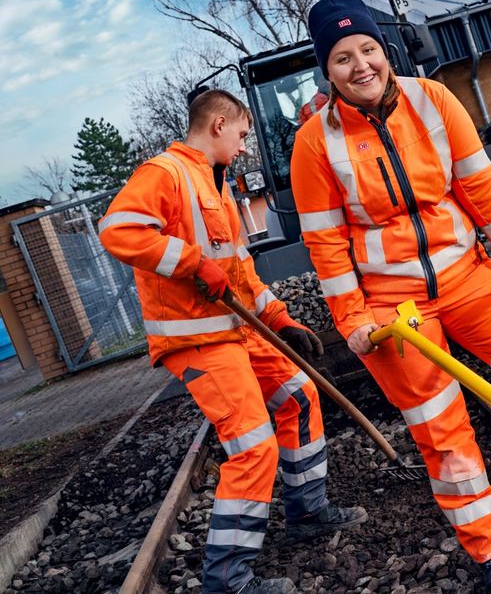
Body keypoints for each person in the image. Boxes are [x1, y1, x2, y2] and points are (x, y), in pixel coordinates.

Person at [290, 0, 491, 594]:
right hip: (394, 313)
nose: (360, 65)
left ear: (384, 51)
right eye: (342, 58)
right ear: (328, 71)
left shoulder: (434, 100)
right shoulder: (313, 145)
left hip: (471, 278)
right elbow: (327, 247)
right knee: (440, 430)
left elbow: (481, 187)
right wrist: (352, 319)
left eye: (368, 49)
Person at [99, 88, 367, 594]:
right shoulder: (166, 173)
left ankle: (307, 512)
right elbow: (118, 230)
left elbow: (239, 274)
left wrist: (282, 320)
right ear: (218, 124)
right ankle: (227, 580)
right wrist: (190, 262)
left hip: (235, 329)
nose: (245, 146)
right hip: (197, 338)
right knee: (252, 445)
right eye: (242, 134)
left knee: (298, 394)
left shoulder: (218, 187)